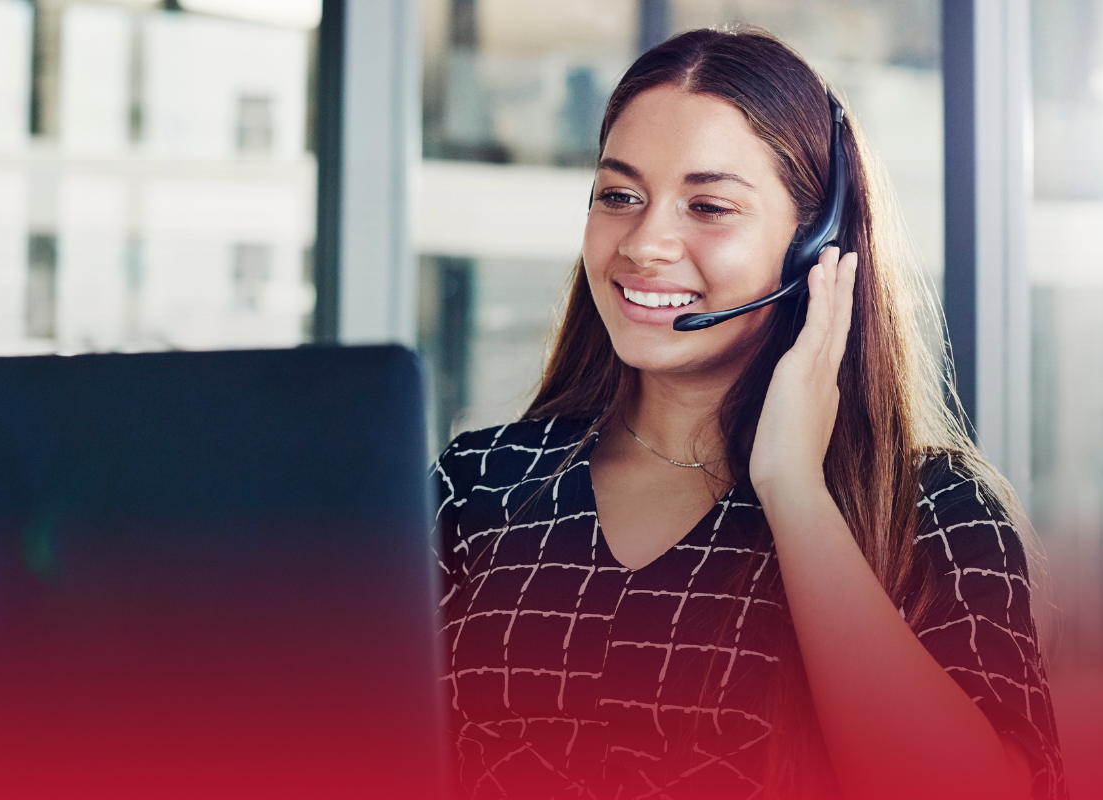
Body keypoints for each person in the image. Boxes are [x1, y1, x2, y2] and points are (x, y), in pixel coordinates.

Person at [434, 26, 1066, 800]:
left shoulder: (932, 514)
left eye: (708, 206)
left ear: (813, 246)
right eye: (619, 196)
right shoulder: (478, 491)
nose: (645, 244)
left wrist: (794, 492)